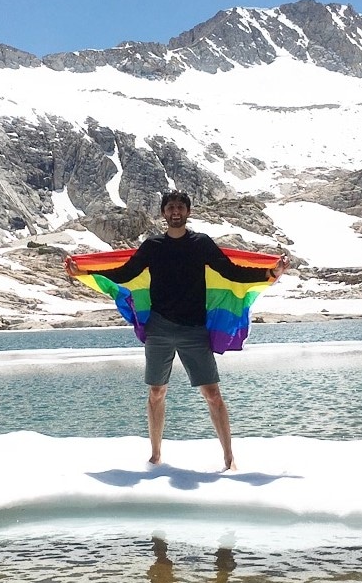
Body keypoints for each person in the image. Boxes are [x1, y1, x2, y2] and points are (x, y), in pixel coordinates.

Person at [65, 190, 288, 470]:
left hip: (194, 329)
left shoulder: (201, 244)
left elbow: (231, 272)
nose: (175, 212)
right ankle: (156, 455)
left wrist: (269, 274)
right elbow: (125, 273)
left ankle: (229, 458)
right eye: (170, 207)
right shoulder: (153, 246)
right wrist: (85, 272)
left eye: (180, 207)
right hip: (159, 328)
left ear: (187, 212)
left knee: (212, 394)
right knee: (156, 391)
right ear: (163, 213)